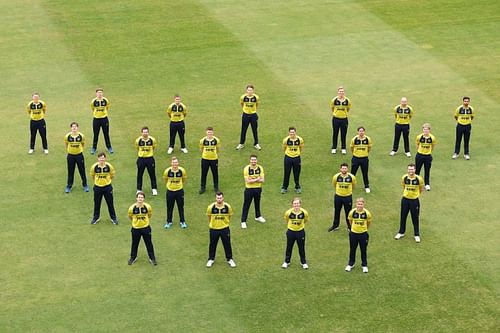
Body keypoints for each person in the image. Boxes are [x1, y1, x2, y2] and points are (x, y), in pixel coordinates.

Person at [395, 163, 424, 243]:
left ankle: (416, 234)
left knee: (415, 217)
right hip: (405, 200)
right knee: (403, 216)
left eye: (412, 169)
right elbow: (404, 186)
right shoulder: (404, 177)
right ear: (407, 170)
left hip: (414, 201)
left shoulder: (419, 179)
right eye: (409, 169)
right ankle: (401, 232)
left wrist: (415, 195)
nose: (410, 171)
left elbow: (421, 189)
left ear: (415, 170)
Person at [206, 192, 236, 268]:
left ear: (223, 198)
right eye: (218, 198)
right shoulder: (211, 207)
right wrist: (212, 224)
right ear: (216, 198)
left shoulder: (228, 207)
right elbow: (209, 217)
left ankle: (229, 259)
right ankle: (211, 259)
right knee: (212, 244)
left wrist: (225, 223)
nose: (219, 199)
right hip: (214, 229)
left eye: (220, 198)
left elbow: (229, 216)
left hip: (224, 229)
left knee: (227, 244)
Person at [127, 191, 157, 266]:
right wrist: (136, 223)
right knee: (134, 243)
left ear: (144, 199)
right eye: (139, 197)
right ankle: (133, 257)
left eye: (142, 197)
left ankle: (152, 258)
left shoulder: (148, 207)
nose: (140, 199)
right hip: (135, 229)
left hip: (145, 228)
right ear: (136, 198)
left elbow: (149, 215)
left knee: (149, 243)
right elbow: (130, 216)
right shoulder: (132, 208)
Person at [345, 197, 372, 273]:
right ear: (356, 204)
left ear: (363, 204)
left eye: (361, 204)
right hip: (353, 234)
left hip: (363, 234)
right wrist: (353, 228)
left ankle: (364, 265)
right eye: (358, 204)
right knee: (352, 249)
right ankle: (351, 264)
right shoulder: (352, 212)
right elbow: (350, 221)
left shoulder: (367, 213)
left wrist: (364, 229)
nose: (360, 205)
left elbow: (368, 223)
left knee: (363, 250)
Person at [89, 152, 118, 225]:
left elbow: (112, 175)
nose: (101, 160)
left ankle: (113, 218)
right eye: (100, 158)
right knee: (97, 203)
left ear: (105, 158)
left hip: (107, 187)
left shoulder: (109, 166)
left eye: (103, 158)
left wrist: (107, 181)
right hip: (97, 187)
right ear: (98, 159)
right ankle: (96, 218)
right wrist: (98, 182)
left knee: (110, 203)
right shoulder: (94, 167)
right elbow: (92, 176)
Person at [281, 197, 309, 270]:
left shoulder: (304, 212)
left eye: (297, 203)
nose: (296, 205)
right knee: (289, 247)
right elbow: (287, 219)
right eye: (294, 203)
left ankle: (303, 262)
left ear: (300, 204)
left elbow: (305, 220)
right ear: (292, 204)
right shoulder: (288, 212)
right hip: (291, 232)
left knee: (301, 248)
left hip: (300, 232)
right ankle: (287, 262)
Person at [328, 163, 357, 232]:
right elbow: (334, 184)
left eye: (345, 168)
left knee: (348, 213)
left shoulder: (352, 177)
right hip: (338, 197)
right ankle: (335, 226)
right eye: (343, 168)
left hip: (348, 197)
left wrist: (348, 192)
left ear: (347, 169)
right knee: (337, 211)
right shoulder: (336, 176)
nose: (344, 169)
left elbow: (354, 186)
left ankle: (349, 227)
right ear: (340, 169)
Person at [240, 154, 266, 229]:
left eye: (255, 160)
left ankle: (258, 216)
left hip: (258, 188)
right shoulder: (246, 168)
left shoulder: (260, 168)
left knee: (257, 203)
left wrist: (253, 180)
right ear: (250, 160)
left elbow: (263, 180)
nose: (253, 161)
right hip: (249, 189)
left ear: (256, 160)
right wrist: (257, 179)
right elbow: (248, 181)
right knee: (246, 205)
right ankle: (243, 221)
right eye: (252, 160)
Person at [163, 156, 187, 229]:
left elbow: (184, 179)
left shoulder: (182, 170)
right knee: (169, 207)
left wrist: (179, 186)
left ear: (178, 163)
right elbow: (165, 179)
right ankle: (169, 221)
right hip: (170, 191)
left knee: (181, 207)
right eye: (173, 162)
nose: (175, 164)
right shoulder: (167, 171)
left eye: (176, 162)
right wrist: (170, 186)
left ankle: (182, 221)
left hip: (179, 191)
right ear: (171, 163)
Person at [64, 122, 89, 193]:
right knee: (70, 171)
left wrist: (79, 150)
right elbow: (66, 144)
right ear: (71, 128)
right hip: (70, 156)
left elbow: (83, 144)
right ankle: (69, 186)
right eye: (73, 127)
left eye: (75, 127)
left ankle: (85, 185)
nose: (74, 128)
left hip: (79, 155)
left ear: (77, 128)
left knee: (82, 170)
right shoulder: (67, 136)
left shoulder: (81, 136)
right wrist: (70, 150)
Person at [236, 84, 261, 151]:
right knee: (243, 130)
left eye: (251, 90)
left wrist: (253, 110)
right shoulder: (243, 97)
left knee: (254, 130)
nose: (250, 91)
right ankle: (241, 143)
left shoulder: (256, 97)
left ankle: (256, 143)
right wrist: (245, 110)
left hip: (253, 115)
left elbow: (257, 104)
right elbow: (242, 104)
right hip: (245, 115)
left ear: (253, 91)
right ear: (246, 90)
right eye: (248, 90)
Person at [135, 126, 158, 196]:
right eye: (144, 132)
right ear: (141, 133)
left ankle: (154, 188)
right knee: (140, 174)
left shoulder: (152, 140)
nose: (145, 133)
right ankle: (139, 189)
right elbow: (137, 148)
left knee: (152, 174)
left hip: (150, 159)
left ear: (148, 132)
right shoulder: (138, 140)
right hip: (141, 159)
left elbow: (154, 147)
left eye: (146, 132)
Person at [281, 127, 304, 194]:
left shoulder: (300, 139)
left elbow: (301, 147)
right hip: (288, 158)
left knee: (297, 173)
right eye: (291, 132)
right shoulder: (286, 140)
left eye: (293, 132)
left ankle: (297, 187)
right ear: (289, 133)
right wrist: (289, 154)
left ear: (295, 132)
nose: (292, 134)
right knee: (287, 172)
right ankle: (284, 187)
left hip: (297, 158)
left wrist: (297, 153)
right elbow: (284, 148)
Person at [90, 88, 113, 154]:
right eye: (98, 92)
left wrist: (103, 114)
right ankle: (94, 148)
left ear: (102, 93)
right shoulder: (93, 101)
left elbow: (107, 107)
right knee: (96, 134)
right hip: (96, 119)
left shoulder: (105, 100)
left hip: (104, 119)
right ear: (96, 93)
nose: (100, 94)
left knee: (106, 134)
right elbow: (92, 108)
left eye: (101, 92)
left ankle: (109, 147)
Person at [330, 86, 352, 154]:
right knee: (335, 133)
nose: (341, 93)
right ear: (338, 92)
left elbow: (348, 109)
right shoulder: (334, 100)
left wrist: (343, 114)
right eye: (340, 91)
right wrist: (336, 113)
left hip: (344, 119)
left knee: (343, 134)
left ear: (344, 92)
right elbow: (332, 108)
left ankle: (343, 148)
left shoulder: (347, 100)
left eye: (342, 91)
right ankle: (334, 147)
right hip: (336, 119)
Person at [350, 126, 372, 193]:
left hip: (364, 159)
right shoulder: (354, 139)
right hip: (355, 158)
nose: (361, 132)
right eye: (360, 131)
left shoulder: (368, 139)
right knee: (353, 173)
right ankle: (350, 186)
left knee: (365, 173)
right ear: (358, 132)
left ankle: (366, 186)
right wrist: (355, 153)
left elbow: (369, 148)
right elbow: (352, 148)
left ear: (364, 132)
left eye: (362, 131)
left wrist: (364, 154)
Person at [415, 123, 437, 191]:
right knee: (417, 170)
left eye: (427, 129)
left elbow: (432, 147)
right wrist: (420, 151)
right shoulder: (419, 137)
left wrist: (428, 152)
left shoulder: (432, 138)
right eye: (424, 129)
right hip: (419, 155)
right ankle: (416, 183)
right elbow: (417, 145)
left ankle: (427, 184)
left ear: (429, 130)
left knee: (427, 170)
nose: (425, 131)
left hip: (428, 156)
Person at [199, 127, 220, 194]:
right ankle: (203, 188)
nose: (209, 134)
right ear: (206, 132)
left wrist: (214, 154)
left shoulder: (216, 140)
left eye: (211, 132)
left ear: (213, 132)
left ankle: (216, 188)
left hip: (214, 159)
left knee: (215, 174)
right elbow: (201, 148)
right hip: (205, 159)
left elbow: (218, 149)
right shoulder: (202, 140)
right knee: (204, 173)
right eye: (208, 132)